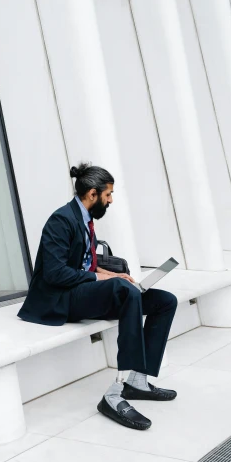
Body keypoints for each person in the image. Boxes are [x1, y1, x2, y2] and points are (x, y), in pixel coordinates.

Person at [18, 162, 178, 430]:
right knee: (124, 291)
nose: (111, 200)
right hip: (58, 298)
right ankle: (114, 395)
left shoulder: (85, 219)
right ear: (93, 194)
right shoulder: (61, 220)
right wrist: (106, 278)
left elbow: (85, 265)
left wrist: (112, 274)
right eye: (108, 195)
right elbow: (56, 274)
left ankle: (137, 381)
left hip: (81, 292)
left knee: (164, 301)